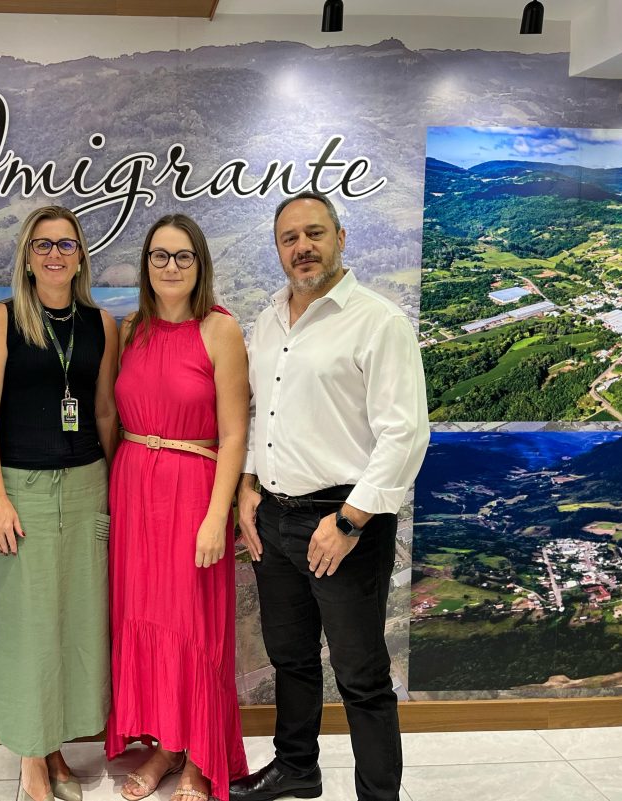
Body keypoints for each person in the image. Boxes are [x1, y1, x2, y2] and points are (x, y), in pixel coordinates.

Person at [230, 192, 429, 801]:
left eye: (314, 233)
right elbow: (259, 413)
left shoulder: (379, 321)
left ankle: (378, 796)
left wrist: (348, 521)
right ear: (278, 249)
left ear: (340, 238)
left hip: (344, 522)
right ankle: (297, 768)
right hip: (274, 517)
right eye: (289, 238)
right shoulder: (268, 321)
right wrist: (247, 485)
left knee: (361, 674)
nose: (303, 247)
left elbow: (405, 433)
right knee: (290, 658)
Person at [0, 206, 118, 801]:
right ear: (27, 256)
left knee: (73, 623)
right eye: (43, 245)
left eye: (66, 244)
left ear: (80, 256)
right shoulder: (1, 320)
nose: (55, 255)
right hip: (18, 488)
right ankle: (31, 758)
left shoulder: (103, 324)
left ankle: (53, 746)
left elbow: (104, 411)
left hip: (86, 487)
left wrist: (117, 488)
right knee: (25, 627)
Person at [106, 214, 250, 801]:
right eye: (159, 256)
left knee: (195, 628)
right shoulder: (130, 329)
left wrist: (218, 516)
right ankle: (165, 746)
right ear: (146, 265)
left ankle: (199, 757)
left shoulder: (221, 330)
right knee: (144, 620)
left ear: (199, 264)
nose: (170, 266)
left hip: (193, 491)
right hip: (133, 490)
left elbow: (235, 435)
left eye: (182, 256)